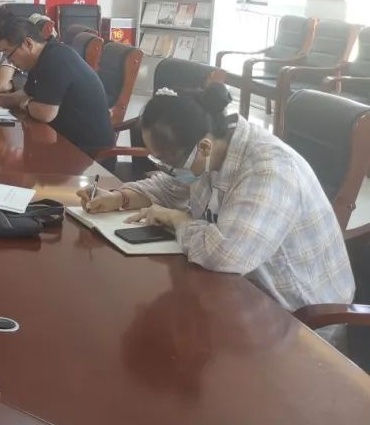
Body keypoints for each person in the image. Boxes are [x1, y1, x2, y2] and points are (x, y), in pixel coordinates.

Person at [77, 84, 355, 312]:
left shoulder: (269, 171)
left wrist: (178, 219)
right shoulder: (213, 147)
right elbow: (171, 186)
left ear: (203, 147)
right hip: (241, 291)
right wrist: (119, 198)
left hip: (300, 316)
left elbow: (225, 255)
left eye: (168, 162)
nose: (167, 170)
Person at [0, 15, 115, 156]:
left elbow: (45, 113)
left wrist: (25, 103)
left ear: (28, 44)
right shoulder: (41, 57)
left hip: (87, 152)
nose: (9, 61)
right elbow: (25, 94)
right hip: (62, 141)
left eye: (9, 53)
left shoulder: (56, 59)